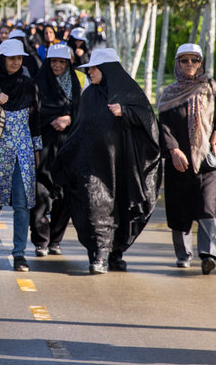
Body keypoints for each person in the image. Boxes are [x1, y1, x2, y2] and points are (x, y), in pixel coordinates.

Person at [52, 48, 161, 274]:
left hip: (123, 167)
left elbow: (149, 124)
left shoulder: (130, 94)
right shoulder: (90, 95)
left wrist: (126, 113)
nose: (89, 72)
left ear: (106, 69)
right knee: (94, 206)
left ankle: (115, 253)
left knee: (121, 209)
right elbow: (81, 128)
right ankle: (98, 255)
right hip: (93, 166)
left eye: (92, 68)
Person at [158, 43, 216, 274]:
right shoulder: (169, 93)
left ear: (201, 63)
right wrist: (173, 150)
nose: (189, 65)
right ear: (177, 63)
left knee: (206, 205)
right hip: (179, 160)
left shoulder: (210, 87)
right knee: (179, 207)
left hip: (207, 160)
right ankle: (183, 254)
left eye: (194, 60)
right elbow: (163, 125)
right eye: (184, 60)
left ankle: (208, 254)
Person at [0, 38, 42, 272]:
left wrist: (36, 151)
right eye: (11, 58)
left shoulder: (29, 85)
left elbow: (36, 121)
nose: (16, 62)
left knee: (22, 204)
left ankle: (19, 253)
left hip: (23, 153)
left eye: (19, 58)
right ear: (2, 60)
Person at [31, 43, 79, 258]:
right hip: (43, 150)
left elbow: (85, 114)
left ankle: (55, 240)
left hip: (69, 150)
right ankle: (41, 240)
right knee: (40, 195)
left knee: (64, 197)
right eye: (53, 61)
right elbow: (31, 117)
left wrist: (69, 119)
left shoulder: (78, 85)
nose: (57, 65)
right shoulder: (37, 85)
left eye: (61, 62)